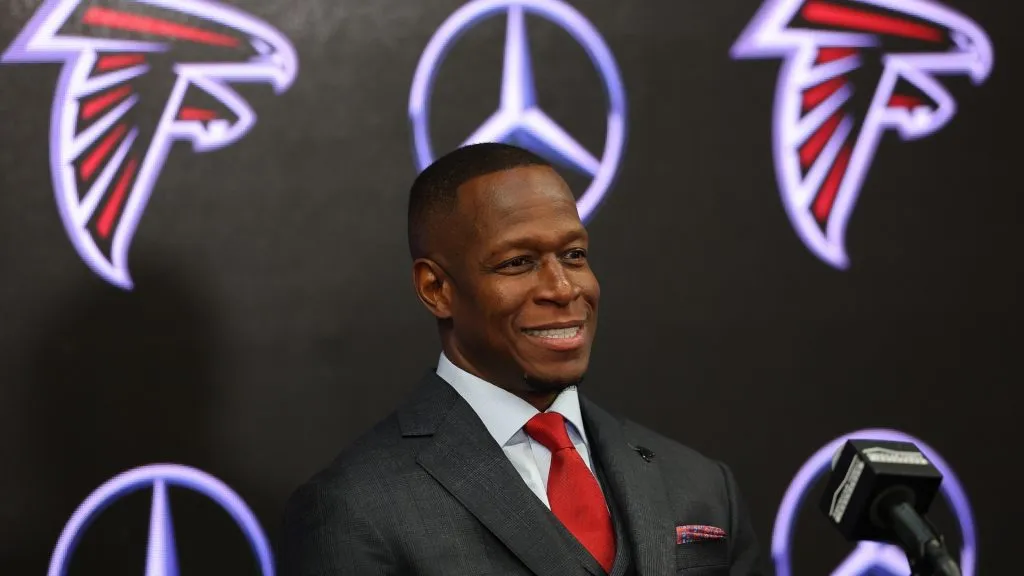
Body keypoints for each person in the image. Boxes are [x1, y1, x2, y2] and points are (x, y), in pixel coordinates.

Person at [280, 143, 765, 575]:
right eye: (517, 262)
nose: (562, 288)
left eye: (574, 255)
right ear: (437, 289)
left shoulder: (700, 484)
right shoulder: (353, 509)